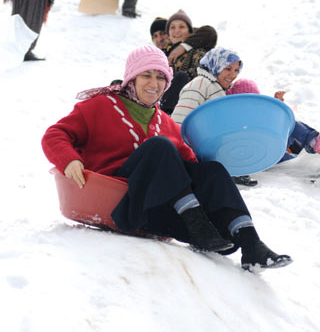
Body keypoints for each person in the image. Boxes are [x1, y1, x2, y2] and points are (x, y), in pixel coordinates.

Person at [42, 45, 292, 270]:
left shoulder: (165, 122)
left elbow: (192, 165)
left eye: (161, 77)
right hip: (119, 199)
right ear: (132, 78)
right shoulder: (100, 105)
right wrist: (69, 159)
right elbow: (55, 134)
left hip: (156, 208)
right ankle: (196, 224)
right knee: (159, 147)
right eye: (146, 75)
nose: (154, 83)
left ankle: (251, 245)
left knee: (212, 169)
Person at [171, 47, 258, 187]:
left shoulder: (216, 88)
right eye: (228, 68)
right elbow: (179, 121)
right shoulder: (200, 84)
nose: (233, 74)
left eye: (236, 70)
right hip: (193, 153)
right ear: (215, 65)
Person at [227, 79, 320, 162]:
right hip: (260, 154)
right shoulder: (232, 118)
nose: (250, 106)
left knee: (290, 124)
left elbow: (273, 122)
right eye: (244, 103)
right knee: (291, 160)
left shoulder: (259, 113)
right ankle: (307, 155)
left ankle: (313, 142)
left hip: (270, 149)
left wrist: (277, 107)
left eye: (254, 102)